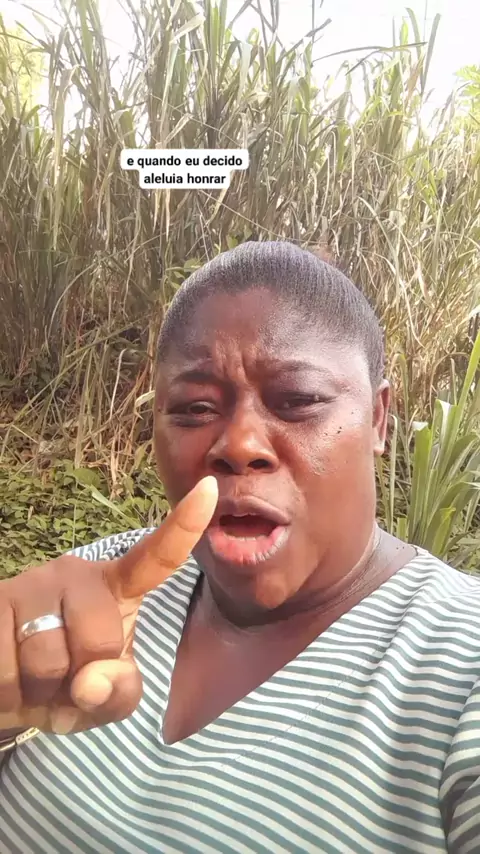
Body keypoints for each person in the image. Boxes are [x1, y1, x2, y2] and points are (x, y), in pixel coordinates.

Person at [0, 241, 479, 854]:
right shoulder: (103, 582)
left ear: (379, 420)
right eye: (195, 408)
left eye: (298, 400)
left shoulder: (460, 669)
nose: (240, 444)